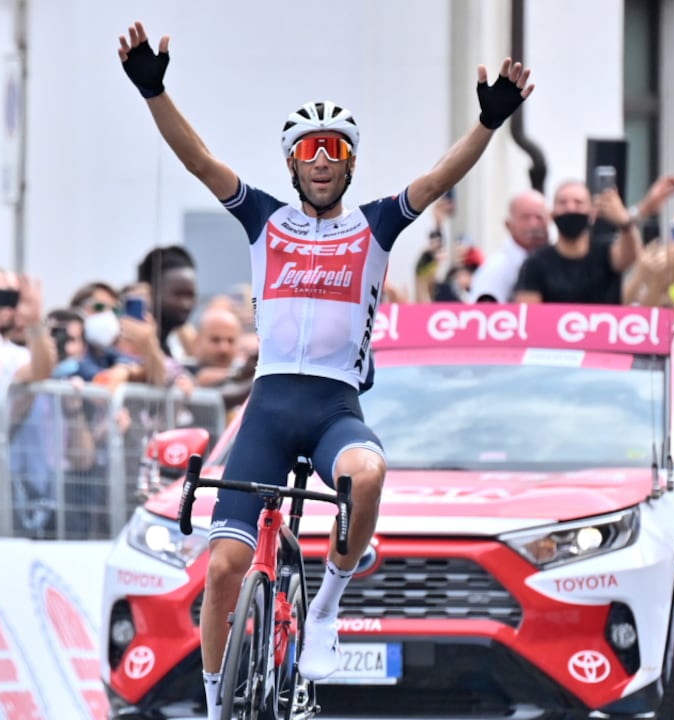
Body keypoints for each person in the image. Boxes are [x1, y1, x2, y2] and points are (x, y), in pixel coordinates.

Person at [117, 19, 534, 714]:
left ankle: (326, 609)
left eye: (335, 149)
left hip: (336, 409)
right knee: (222, 567)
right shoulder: (264, 219)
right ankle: (220, 702)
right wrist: (154, 91)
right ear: (291, 163)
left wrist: (488, 124)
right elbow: (198, 159)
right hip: (269, 411)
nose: (321, 160)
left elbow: (436, 180)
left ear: (348, 164)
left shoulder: (374, 224)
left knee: (366, 472)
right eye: (309, 149)